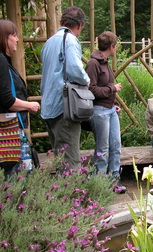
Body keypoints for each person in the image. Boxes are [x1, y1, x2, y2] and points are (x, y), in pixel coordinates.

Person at [0, 19, 40, 193]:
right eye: (14, 35)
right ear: (4, 38)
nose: (17, 40)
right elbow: (8, 101)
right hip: (3, 130)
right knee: (3, 176)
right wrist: (29, 105)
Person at [40, 6, 90, 169]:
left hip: (49, 105)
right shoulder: (69, 40)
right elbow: (75, 70)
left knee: (59, 157)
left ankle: (61, 192)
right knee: (70, 160)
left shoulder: (50, 41)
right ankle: (72, 194)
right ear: (80, 25)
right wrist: (86, 80)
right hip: (64, 108)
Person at [85, 31, 126, 193]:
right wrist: (113, 88)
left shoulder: (105, 63)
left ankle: (115, 179)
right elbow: (92, 90)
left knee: (116, 145)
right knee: (102, 148)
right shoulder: (93, 64)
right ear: (112, 46)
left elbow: (105, 90)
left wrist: (114, 103)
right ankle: (100, 182)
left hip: (110, 109)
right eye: (116, 46)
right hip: (99, 110)